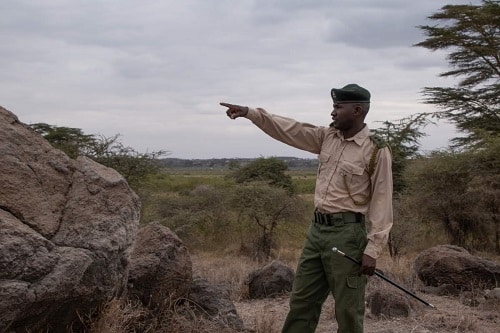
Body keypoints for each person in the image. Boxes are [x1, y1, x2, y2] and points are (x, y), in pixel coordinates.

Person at [220, 83, 393, 333]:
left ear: (357, 110)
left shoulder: (376, 150)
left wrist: (373, 249)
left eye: (338, 107)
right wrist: (251, 113)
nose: (332, 113)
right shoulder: (326, 137)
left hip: (348, 236)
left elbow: (382, 200)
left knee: (347, 309)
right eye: (333, 107)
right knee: (302, 302)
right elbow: (289, 129)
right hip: (316, 232)